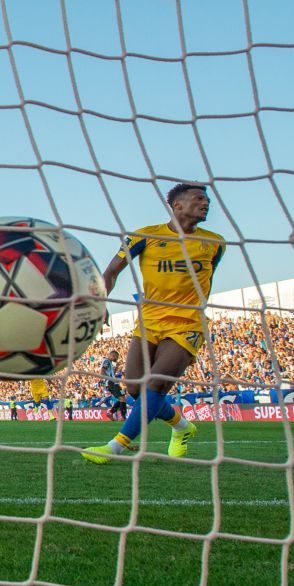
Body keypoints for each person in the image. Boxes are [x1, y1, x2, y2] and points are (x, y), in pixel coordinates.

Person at [83, 183, 225, 464]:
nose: (206, 203)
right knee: (134, 389)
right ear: (178, 206)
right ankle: (182, 427)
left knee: (156, 386)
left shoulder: (215, 243)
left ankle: (115, 448)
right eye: (199, 199)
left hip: (187, 323)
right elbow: (111, 271)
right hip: (149, 321)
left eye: (207, 200)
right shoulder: (143, 236)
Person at [102, 350, 126, 421]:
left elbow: (111, 373)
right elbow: (102, 372)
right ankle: (123, 417)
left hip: (115, 383)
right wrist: (110, 380)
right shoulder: (106, 361)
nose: (116, 359)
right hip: (111, 383)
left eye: (117, 358)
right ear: (111, 355)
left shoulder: (109, 363)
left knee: (122, 398)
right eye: (115, 357)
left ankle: (111, 412)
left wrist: (116, 367)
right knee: (122, 399)